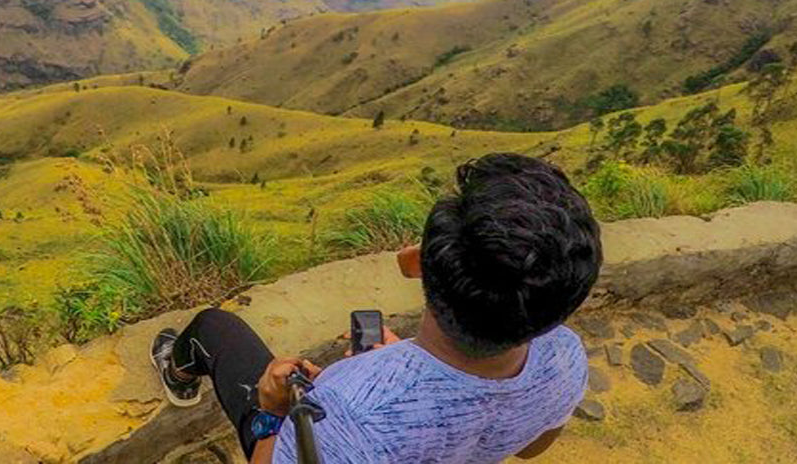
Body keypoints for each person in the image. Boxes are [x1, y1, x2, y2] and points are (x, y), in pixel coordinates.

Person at [150, 153, 602, 463]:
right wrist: (395, 365)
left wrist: (274, 410)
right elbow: (530, 449)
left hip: (327, 426)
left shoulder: (346, 407)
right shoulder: (565, 357)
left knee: (215, 327)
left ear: (419, 263)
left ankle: (178, 373)